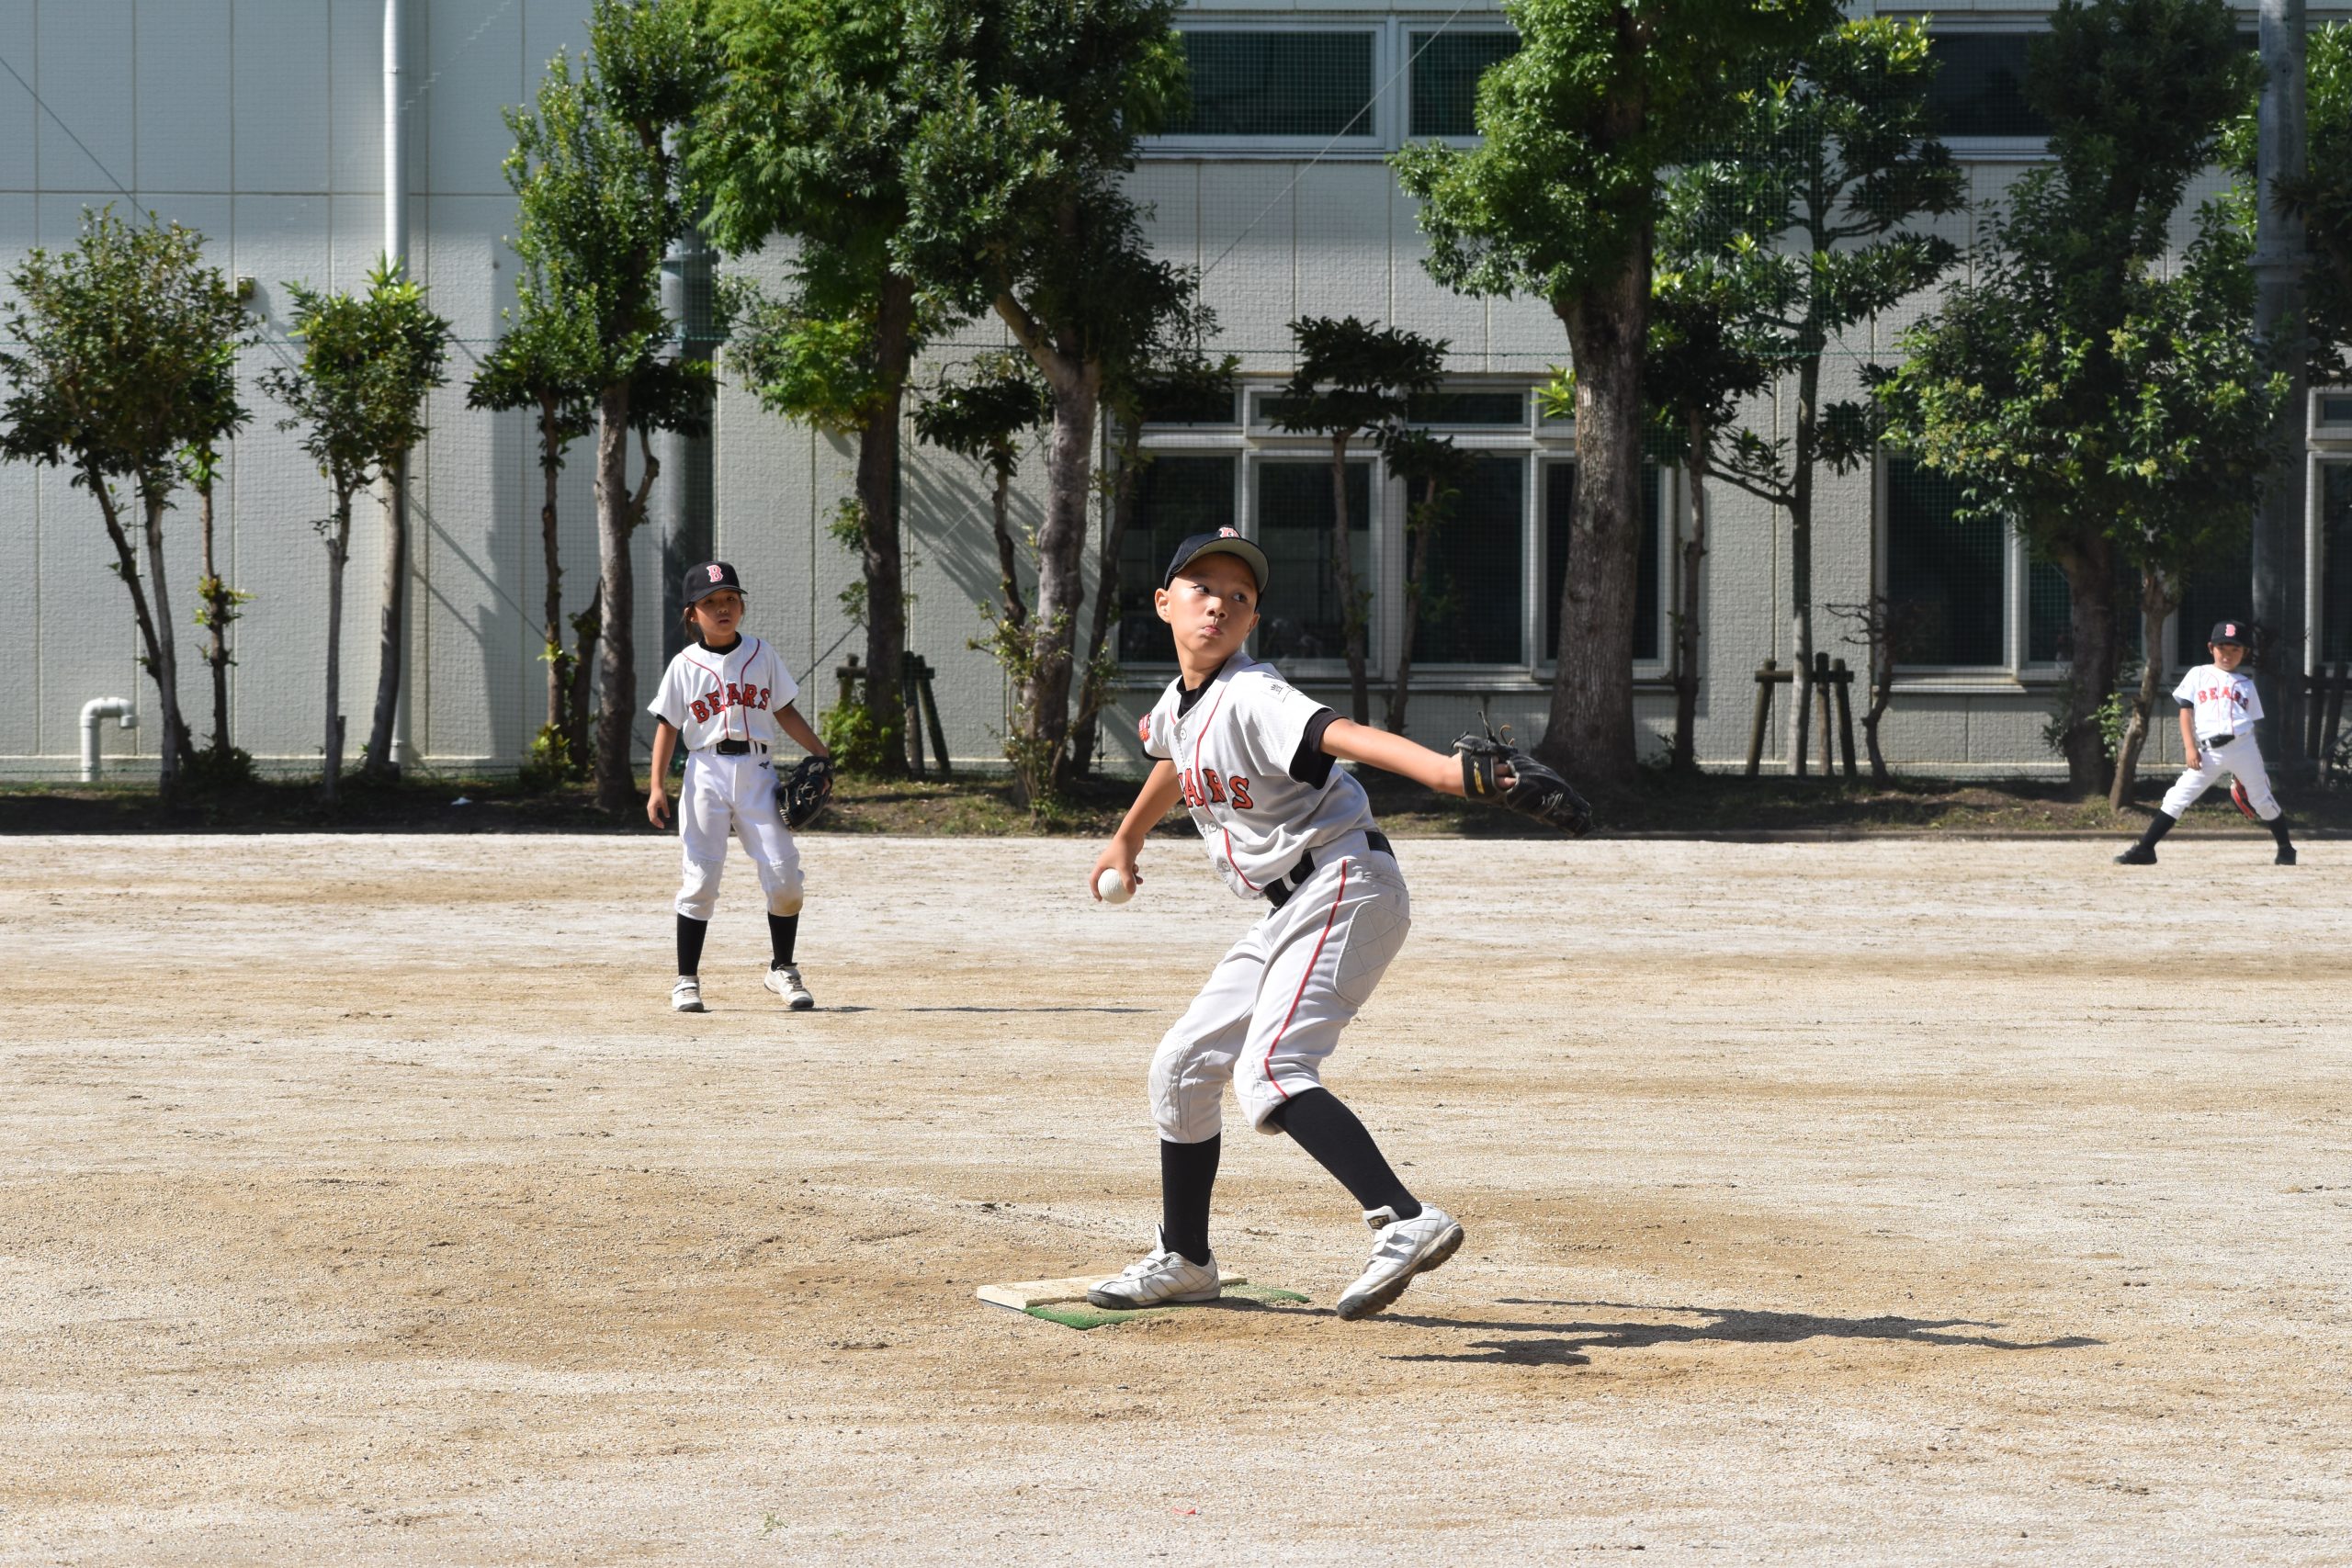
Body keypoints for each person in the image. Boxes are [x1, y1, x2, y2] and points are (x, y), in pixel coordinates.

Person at [1085, 528, 1589, 1322]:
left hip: (1345, 884)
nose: (1219, 603)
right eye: (1201, 587)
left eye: (1240, 596)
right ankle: (1185, 1258)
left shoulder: (1255, 692)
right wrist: (1127, 837)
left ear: (1253, 621)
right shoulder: (1179, 703)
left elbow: (1339, 735)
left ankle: (1404, 1218)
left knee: (1271, 1067)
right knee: (1181, 1066)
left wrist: (1447, 773)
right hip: (1294, 905)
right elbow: (1174, 757)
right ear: (1163, 603)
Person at [646, 561, 831, 1010]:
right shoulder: (684, 665)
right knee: (700, 879)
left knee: (785, 876)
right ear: (692, 614)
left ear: (742, 606)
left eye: (730, 598)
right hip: (705, 772)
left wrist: (822, 754)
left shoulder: (762, 654)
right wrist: (656, 787)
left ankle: (782, 969)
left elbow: (784, 710)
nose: (722, 608)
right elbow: (668, 725)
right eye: (710, 602)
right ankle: (686, 980)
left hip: (757, 770)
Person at [2117, 618, 2297, 866]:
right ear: (2211, 648)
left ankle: (2286, 848)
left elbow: (2250, 722)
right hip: (2208, 751)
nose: (2228, 654)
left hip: (2243, 747)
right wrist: (2190, 747)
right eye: (2222, 647)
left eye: (2235, 649)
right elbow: (2185, 712)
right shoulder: (2198, 674)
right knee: (2177, 797)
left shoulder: (2247, 685)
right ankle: (2145, 849)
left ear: (2245, 652)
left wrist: (2243, 768)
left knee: (2261, 799)